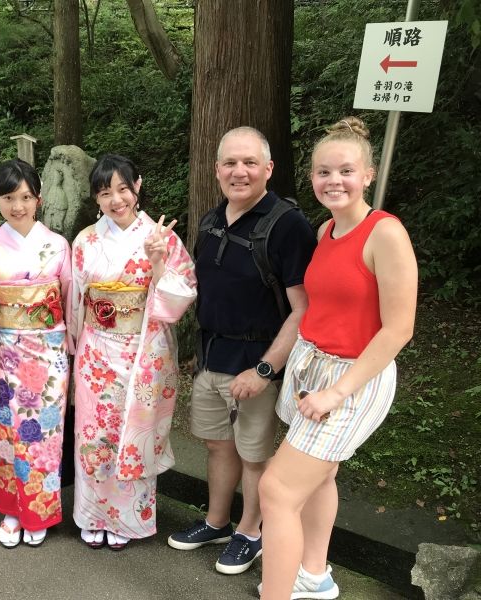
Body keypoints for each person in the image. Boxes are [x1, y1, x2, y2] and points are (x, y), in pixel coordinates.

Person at [258, 117, 417, 599]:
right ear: (311, 178)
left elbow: (399, 329)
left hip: (353, 378)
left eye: (346, 171)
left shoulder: (384, 234)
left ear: (367, 174)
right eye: (324, 172)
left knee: (277, 491)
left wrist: (336, 392)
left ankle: (275, 594)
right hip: (313, 365)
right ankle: (314, 574)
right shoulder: (326, 230)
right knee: (321, 474)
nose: (334, 181)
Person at [167, 127, 316, 575]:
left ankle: (251, 533)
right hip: (211, 358)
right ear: (217, 170)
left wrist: (266, 369)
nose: (239, 171)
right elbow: (197, 289)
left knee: (254, 455)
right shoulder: (212, 221)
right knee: (217, 447)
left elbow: (303, 310)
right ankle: (216, 521)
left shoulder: (288, 225)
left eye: (250, 162)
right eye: (230, 163)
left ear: (268, 169)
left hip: (256, 364)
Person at [69, 154, 196, 550]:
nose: (116, 199)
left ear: (137, 186)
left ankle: (127, 520)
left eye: (123, 188)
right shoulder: (86, 240)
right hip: (96, 352)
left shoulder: (162, 237)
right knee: (95, 433)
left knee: (134, 434)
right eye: (105, 192)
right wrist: (75, 347)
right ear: (97, 198)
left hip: (143, 350)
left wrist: (158, 262)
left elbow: (180, 297)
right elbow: (76, 300)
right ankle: (92, 514)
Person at [0, 159, 72, 548]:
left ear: (38, 198)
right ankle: (11, 507)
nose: (17, 206)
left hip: (49, 350)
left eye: (25, 197)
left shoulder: (58, 244)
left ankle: (39, 508)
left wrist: (69, 344)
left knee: (45, 433)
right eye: (9, 198)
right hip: (6, 350)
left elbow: (70, 300)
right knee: (9, 430)